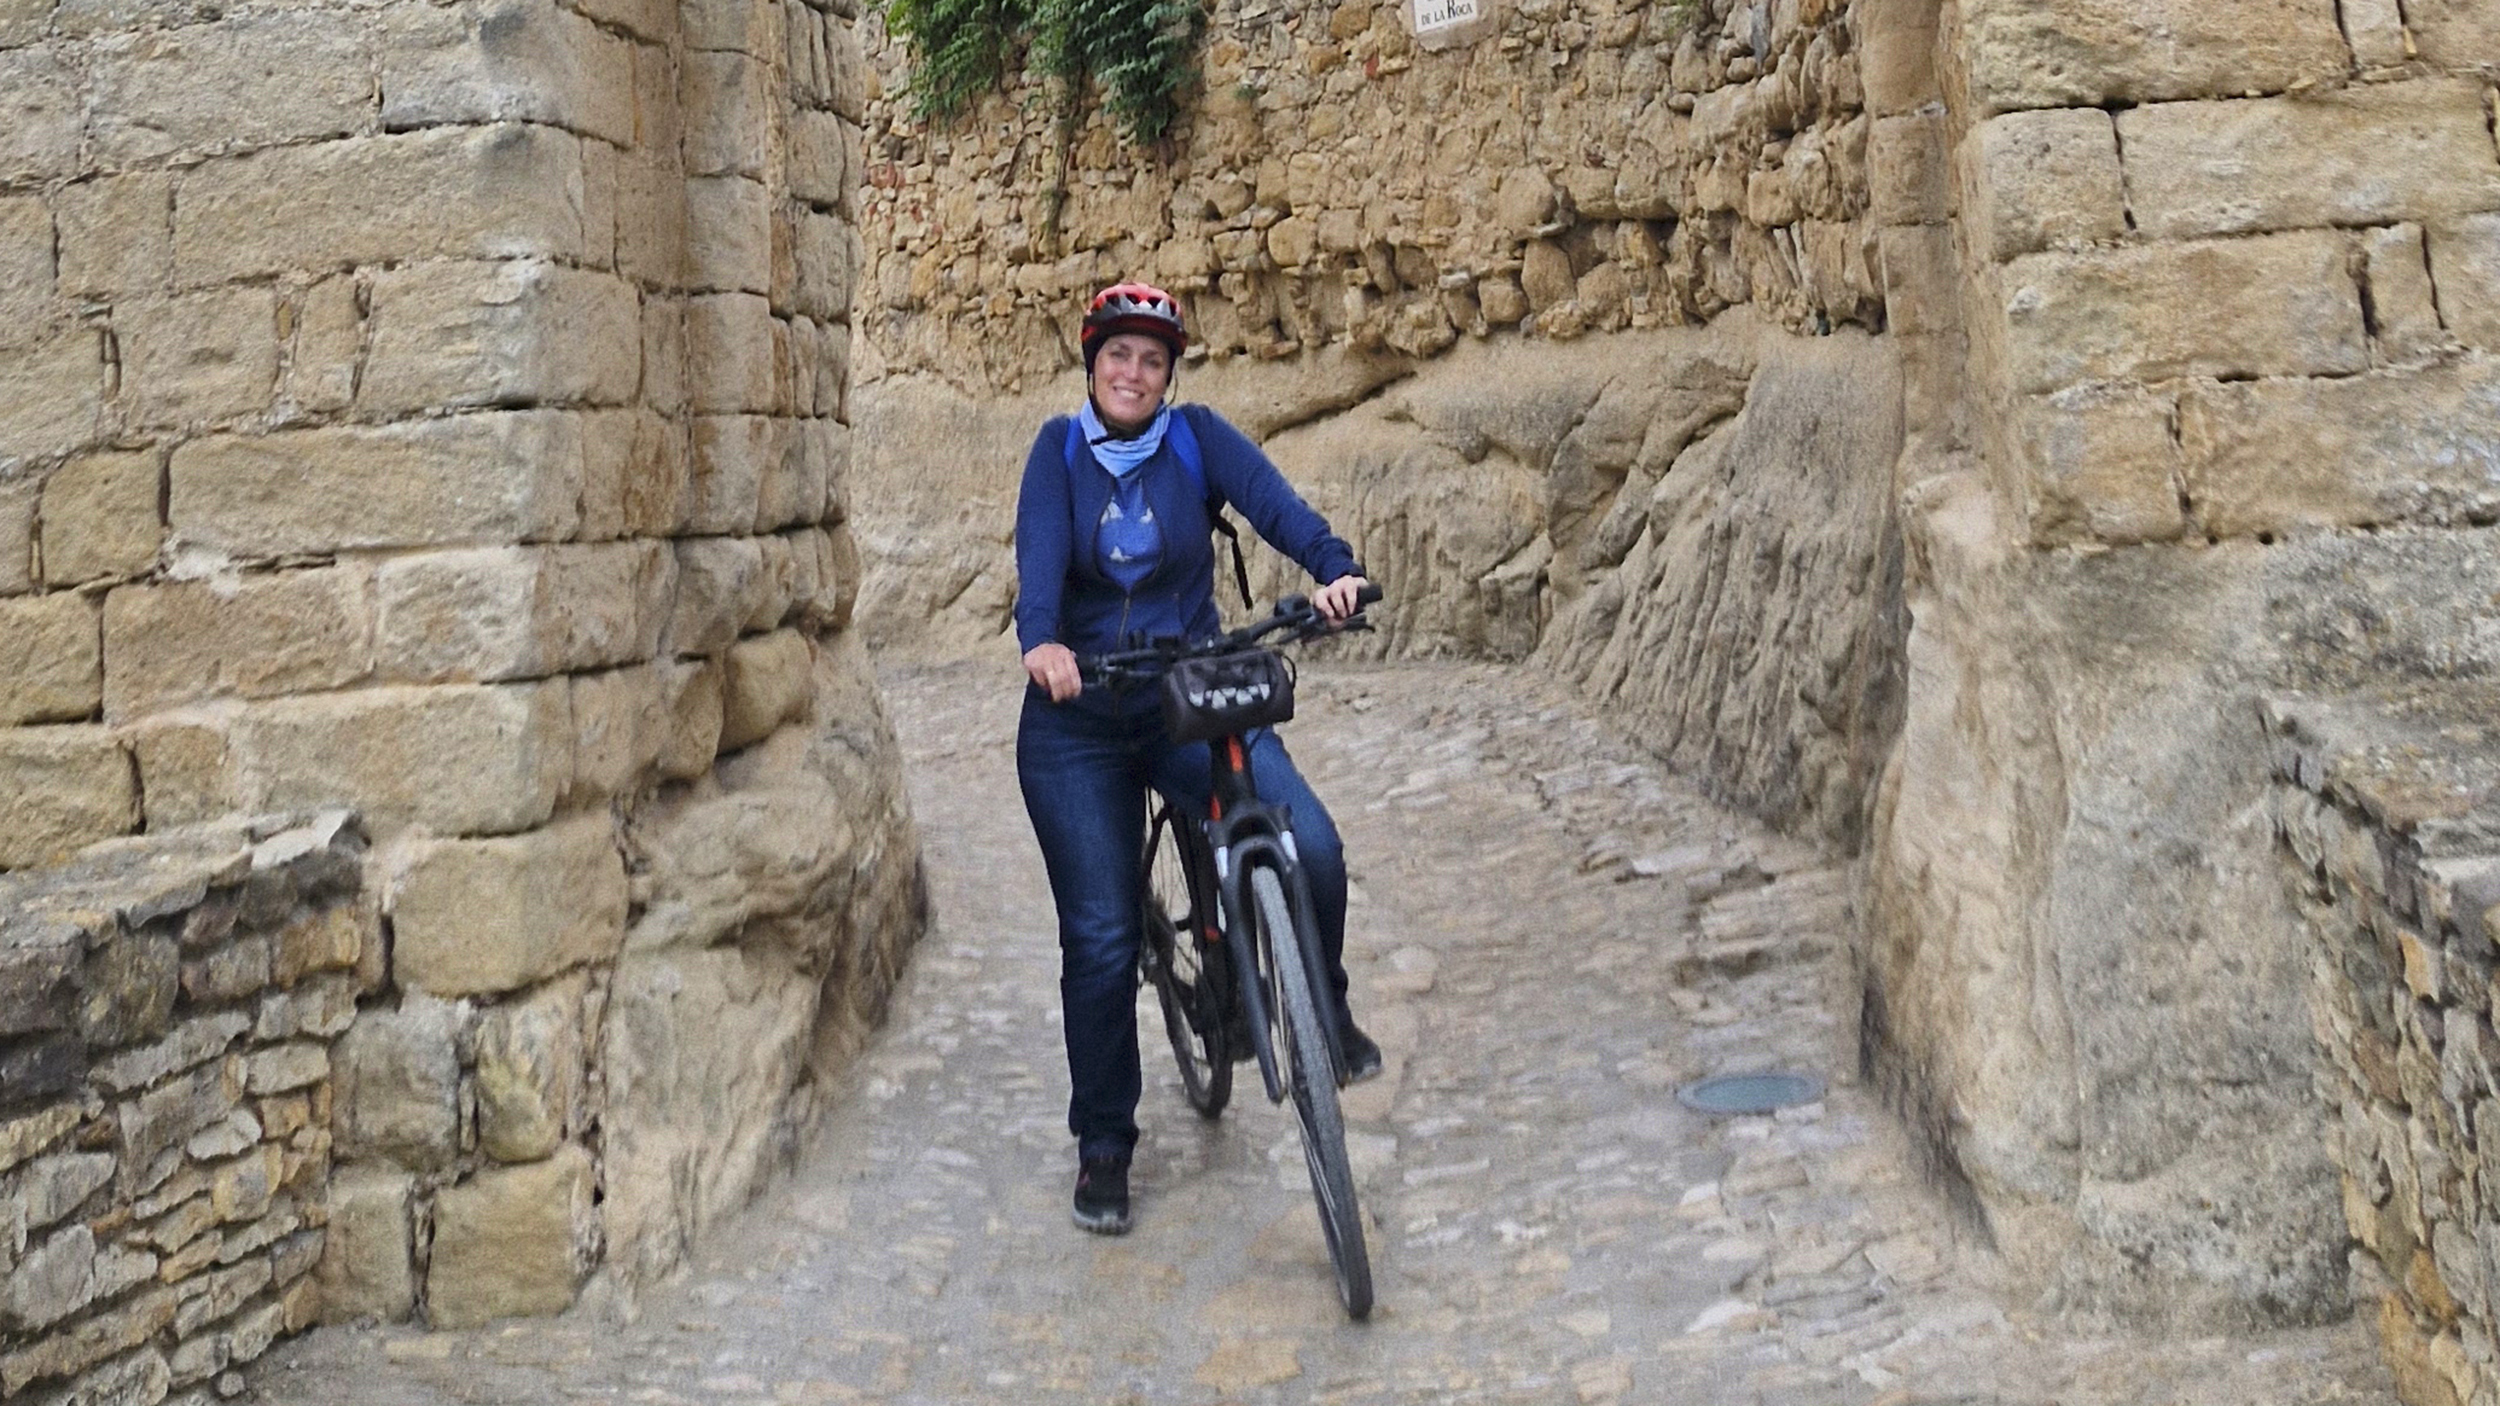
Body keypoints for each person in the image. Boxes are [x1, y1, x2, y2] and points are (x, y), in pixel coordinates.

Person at [1014, 281, 1381, 1236]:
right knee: (1098, 941)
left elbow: (1276, 507)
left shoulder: (1197, 439)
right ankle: (1104, 1144)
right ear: (1092, 365)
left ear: (1169, 373)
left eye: (1151, 359)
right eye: (1117, 356)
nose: (1132, 373)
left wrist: (1332, 568)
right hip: (1079, 720)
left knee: (1315, 844)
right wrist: (1044, 644)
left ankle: (1325, 1010)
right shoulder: (1056, 454)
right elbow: (1041, 564)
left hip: (1190, 692)